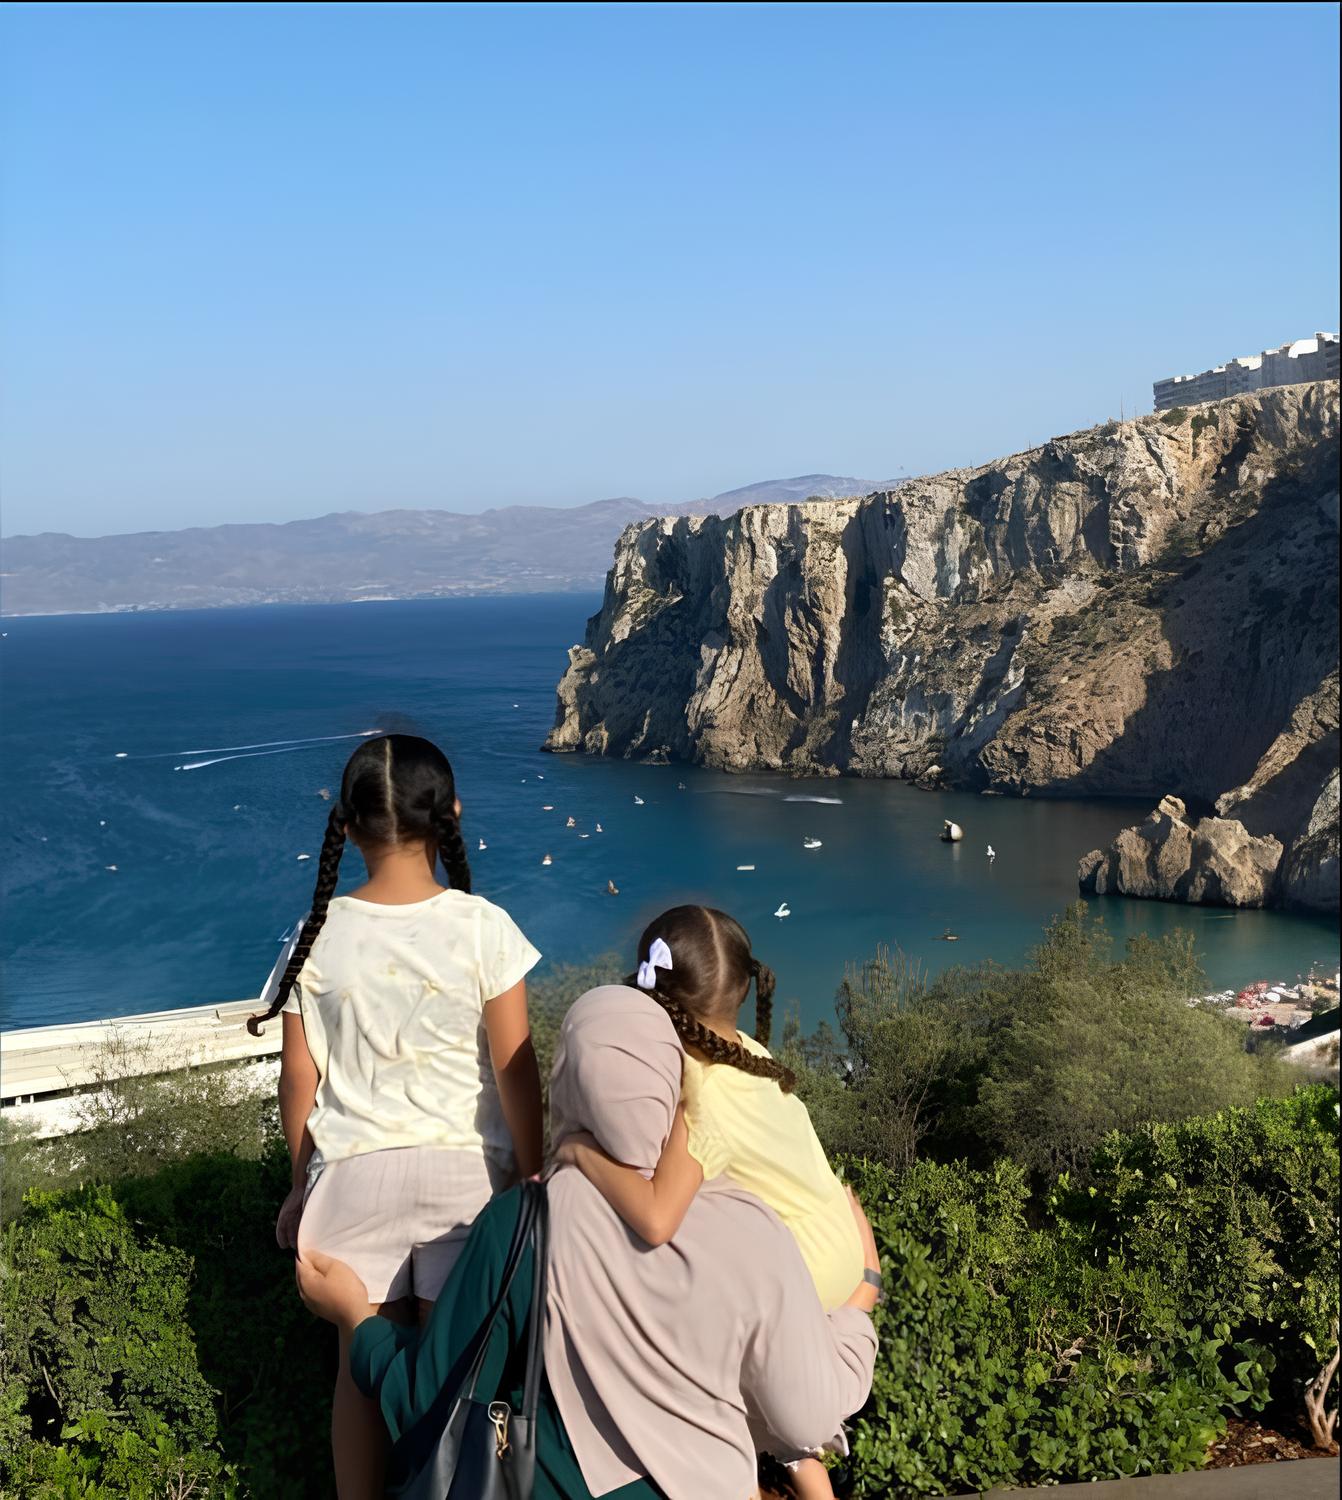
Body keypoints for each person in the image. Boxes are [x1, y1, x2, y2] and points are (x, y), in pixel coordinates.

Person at [296, 983, 881, 1500]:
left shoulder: (519, 1225)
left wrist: (355, 1319)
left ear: (565, 1086)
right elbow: (807, 1418)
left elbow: (430, 1396)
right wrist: (859, 1307)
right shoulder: (751, 1226)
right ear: (673, 1086)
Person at [250, 733, 543, 1500]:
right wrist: (536, 1167)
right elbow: (517, 1066)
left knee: (362, 1361)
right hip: (465, 1178)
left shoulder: (316, 936)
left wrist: (297, 1186)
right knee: (455, 1371)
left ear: (346, 827)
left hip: (351, 1179)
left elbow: (298, 1082)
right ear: (451, 814)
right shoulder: (483, 927)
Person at [555, 906, 866, 1500]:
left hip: (805, 1273)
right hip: (838, 1238)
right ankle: (804, 1470)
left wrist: (577, 1152)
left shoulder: (696, 1091)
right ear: (744, 991)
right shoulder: (747, 1052)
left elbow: (655, 1214)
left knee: (712, 1369)